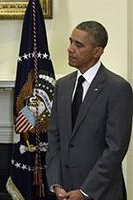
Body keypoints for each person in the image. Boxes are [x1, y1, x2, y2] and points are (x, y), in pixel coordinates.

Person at [46, 21, 133, 200]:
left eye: (78, 45)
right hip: (64, 192)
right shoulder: (62, 86)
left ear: (97, 52)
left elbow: (115, 149)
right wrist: (55, 183)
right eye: (71, 42)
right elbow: (54, 138)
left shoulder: (117, 88)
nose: (70, 49)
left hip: (101, 193)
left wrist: (86, 191)